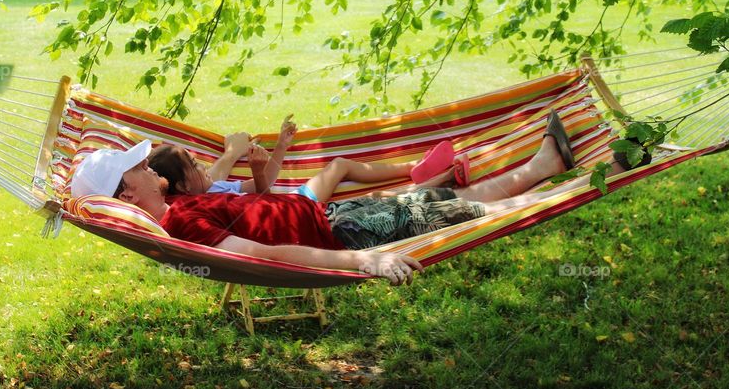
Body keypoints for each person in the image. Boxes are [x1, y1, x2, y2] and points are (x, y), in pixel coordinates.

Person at [70, 111, 630, 285]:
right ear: (127, 192)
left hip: (330, 215)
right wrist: (364, 259)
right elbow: (263, 256)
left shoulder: (179, 208)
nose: (146, 168)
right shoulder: (183, 227)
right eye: (135, 169)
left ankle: (547, 166)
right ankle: (589, 174)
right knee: (472, 212)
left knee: (453, 205)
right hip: (346, 236)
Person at [148, 115, 464, 203]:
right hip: (299, 207)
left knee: (344, 172)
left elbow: (263, 182)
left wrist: (281, 146)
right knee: (357, 187)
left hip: (292, 203)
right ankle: (428, 178)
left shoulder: (209, 188)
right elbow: (261, 193)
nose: (202, 165)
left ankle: (415, 171)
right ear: (182, 186)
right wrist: (256, 171)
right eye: (193, 165)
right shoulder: (207, 199)